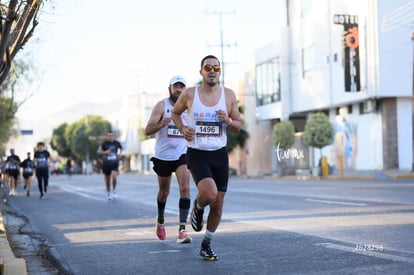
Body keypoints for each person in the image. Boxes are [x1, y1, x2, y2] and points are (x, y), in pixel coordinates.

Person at [171, 55, 242, 261]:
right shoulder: (190, 93)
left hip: (219, 154)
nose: (212, 70)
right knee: (209, 194)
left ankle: (206, 245)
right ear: (201, 71)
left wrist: (227, 120)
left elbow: (238, 125)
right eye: (208, 67)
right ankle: (198, 207)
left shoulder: (228, 95)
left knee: (218, 204)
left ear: (219, 71)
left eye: (216, 67)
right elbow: (176, 113)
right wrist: (183, 128)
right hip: (197, 153)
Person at [144, 75, 192, 244]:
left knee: (185, 189)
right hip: (163, 155)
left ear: (185, 89)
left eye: (182, 87)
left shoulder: (190, 107)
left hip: (182, 153)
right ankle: (161, 221)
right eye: (175, 87)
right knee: (164, 192)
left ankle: (182, 230)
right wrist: (161, 124)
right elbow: (147, 130)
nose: (179, 90)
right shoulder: (161, 105)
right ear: (170, 89)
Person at [98, 131, 122, 200]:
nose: (110, 137)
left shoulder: (117, 143)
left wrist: (119, 154)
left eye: (111, 135)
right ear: (107, 136)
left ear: (114, 136)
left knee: (114, 177)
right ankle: (108, 192)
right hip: (106, 163)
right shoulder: (104, 144)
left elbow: (120, 149)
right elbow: (98, 152)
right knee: (107, 179)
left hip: (114, 163)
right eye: (109, 135)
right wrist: (105, 152)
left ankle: (114, 190)